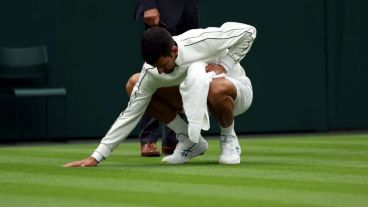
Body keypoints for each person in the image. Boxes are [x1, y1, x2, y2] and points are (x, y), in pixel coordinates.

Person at [63, 22, 256, 167]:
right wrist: (96, 157)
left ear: (173, 50)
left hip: (235, 93)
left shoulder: (201, 40)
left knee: (215, 87)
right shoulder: (153, 71)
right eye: (157, 68)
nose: (161, 72)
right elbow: (131, 113)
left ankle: (229, 138)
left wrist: (225, 65)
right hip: (192, 98)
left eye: (163, 65)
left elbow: (249, 31)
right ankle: (188, 141)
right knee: (134, 84)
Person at [134, 0, 200, 157]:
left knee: (184, 64)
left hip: (188, 6)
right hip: (162, 7)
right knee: (159, 68)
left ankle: (173, 139)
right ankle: (148, 138)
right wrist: (149, 5)